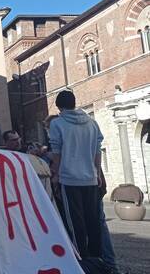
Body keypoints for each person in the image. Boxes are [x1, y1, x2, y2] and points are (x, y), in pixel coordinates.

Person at [49, 90, 103, 259]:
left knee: (75, 223)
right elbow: (97, 151)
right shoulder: (92, 123)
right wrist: (98, 173)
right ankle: (97, 259)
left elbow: (57, 152)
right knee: (93, 220)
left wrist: (56, 175)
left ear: (59, 107)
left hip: (70, 179)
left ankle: (82, 261)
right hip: (91, 178)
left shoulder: (57, 124)